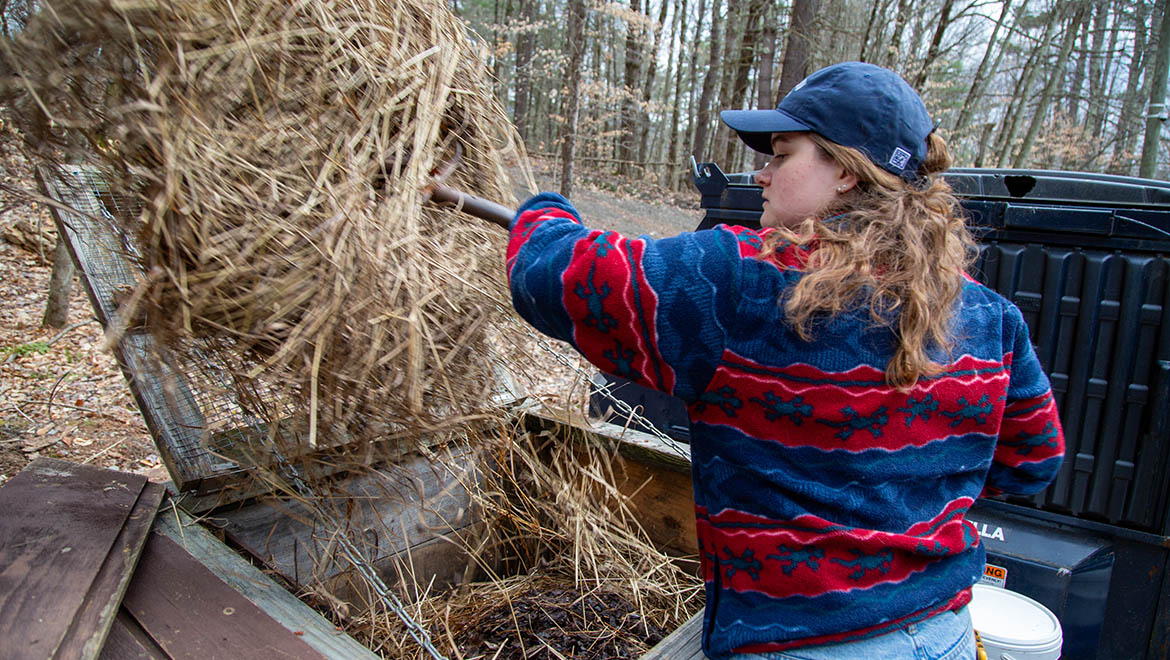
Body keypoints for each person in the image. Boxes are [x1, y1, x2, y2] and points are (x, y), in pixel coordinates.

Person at [505, 61, 1064, 659]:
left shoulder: (741, 283)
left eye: (781, 153)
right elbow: (1032, 465)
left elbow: (553, 277)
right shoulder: (988, 316)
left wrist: (542, 211)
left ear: (846, 170)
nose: (761, 172)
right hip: (939, 632)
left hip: (802, 643)